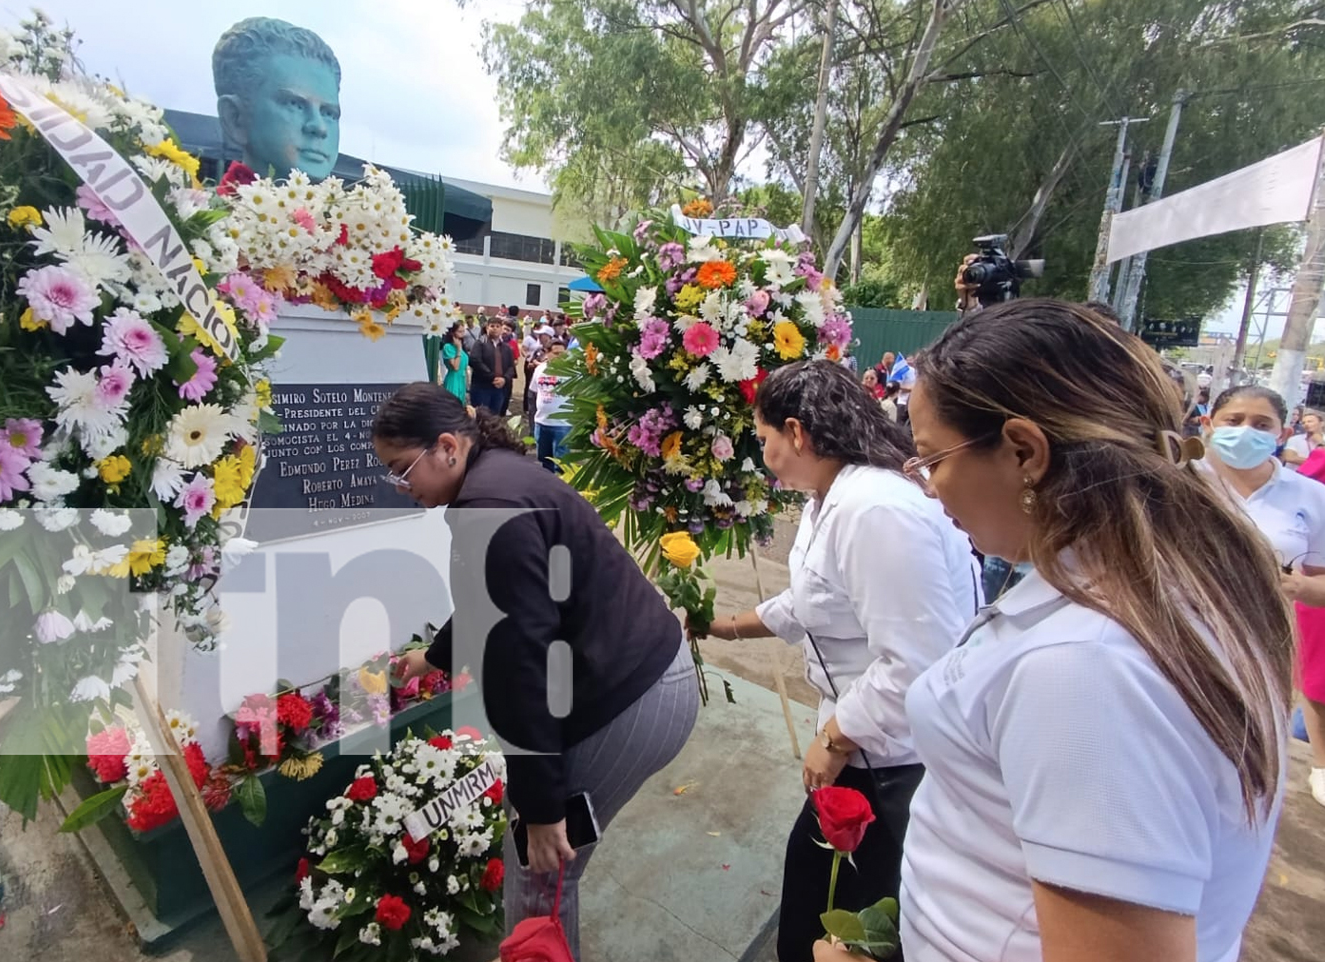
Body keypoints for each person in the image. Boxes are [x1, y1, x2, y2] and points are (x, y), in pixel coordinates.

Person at [815, 300, 1292, 962]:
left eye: (932, 459)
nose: (927, 488)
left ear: (1023, 451)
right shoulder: (1149, 591)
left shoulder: (1090, 668)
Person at [376, 385, 698, 960]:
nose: (403, 489)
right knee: (538, 863)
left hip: (628, 698)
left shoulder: (486, 509)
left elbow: (521, 667)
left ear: (448, 446)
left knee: (539, 875)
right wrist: (435, 657)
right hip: (650, 674)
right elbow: (494, 601)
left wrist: (543, 808)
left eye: (403, 471)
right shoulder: (500, 478)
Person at [698, 359, 977, 962]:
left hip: (891, 757)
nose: (764, 453)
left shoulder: (875, 509)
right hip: (865, 742)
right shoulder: (834, 495)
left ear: (797, 432)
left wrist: (836, 735)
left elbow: (916, 661)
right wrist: (725, 627)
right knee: (816, 896)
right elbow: (814, 599)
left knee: (843, 915)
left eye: (766, 439)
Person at [1201, 384, 1325, 808]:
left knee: (1237, 763)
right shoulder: (1175, 484)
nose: (1245, 432)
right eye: (1233, 421)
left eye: (1260, 424)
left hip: (1261, 648)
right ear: (1208, 424)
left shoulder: (1310, 496)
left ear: (1280, 433)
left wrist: (1301, 587)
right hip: (1176, 635)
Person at [212, 17, 342, 181]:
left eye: (329, 114)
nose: (319, 127)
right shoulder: (183, 206)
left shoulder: (362, 206)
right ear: (235, 118)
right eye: (295, 104)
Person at [532, 339, 571, 472]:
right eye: (556, 353)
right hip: (542, 422)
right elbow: (534, 392)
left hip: (562, 424)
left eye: (563, 353)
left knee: (562, 465)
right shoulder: (539, 369)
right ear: (547, 353)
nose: (560, 357)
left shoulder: (573, 372)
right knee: (544, 461)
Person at [468, 317, 515, 415]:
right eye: (492, 326)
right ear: (486, 328)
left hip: (499, 389)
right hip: (482, 387)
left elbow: (511, 367)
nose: (495, 328)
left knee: (494, 417)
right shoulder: (480, 343)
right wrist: (492, 376)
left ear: (501, 328)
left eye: (498, 326)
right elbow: (475, 361)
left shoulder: (506, 348)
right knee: (481, 416)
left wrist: (504, 379)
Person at [440, 321, 469, 404]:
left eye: (463, 331)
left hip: (462, 379)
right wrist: (458, 350)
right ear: (453, 333)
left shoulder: (462, 346)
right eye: (459, 331)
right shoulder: (448, 347)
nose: (462, 334)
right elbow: (455, 367)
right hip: (453, 379)